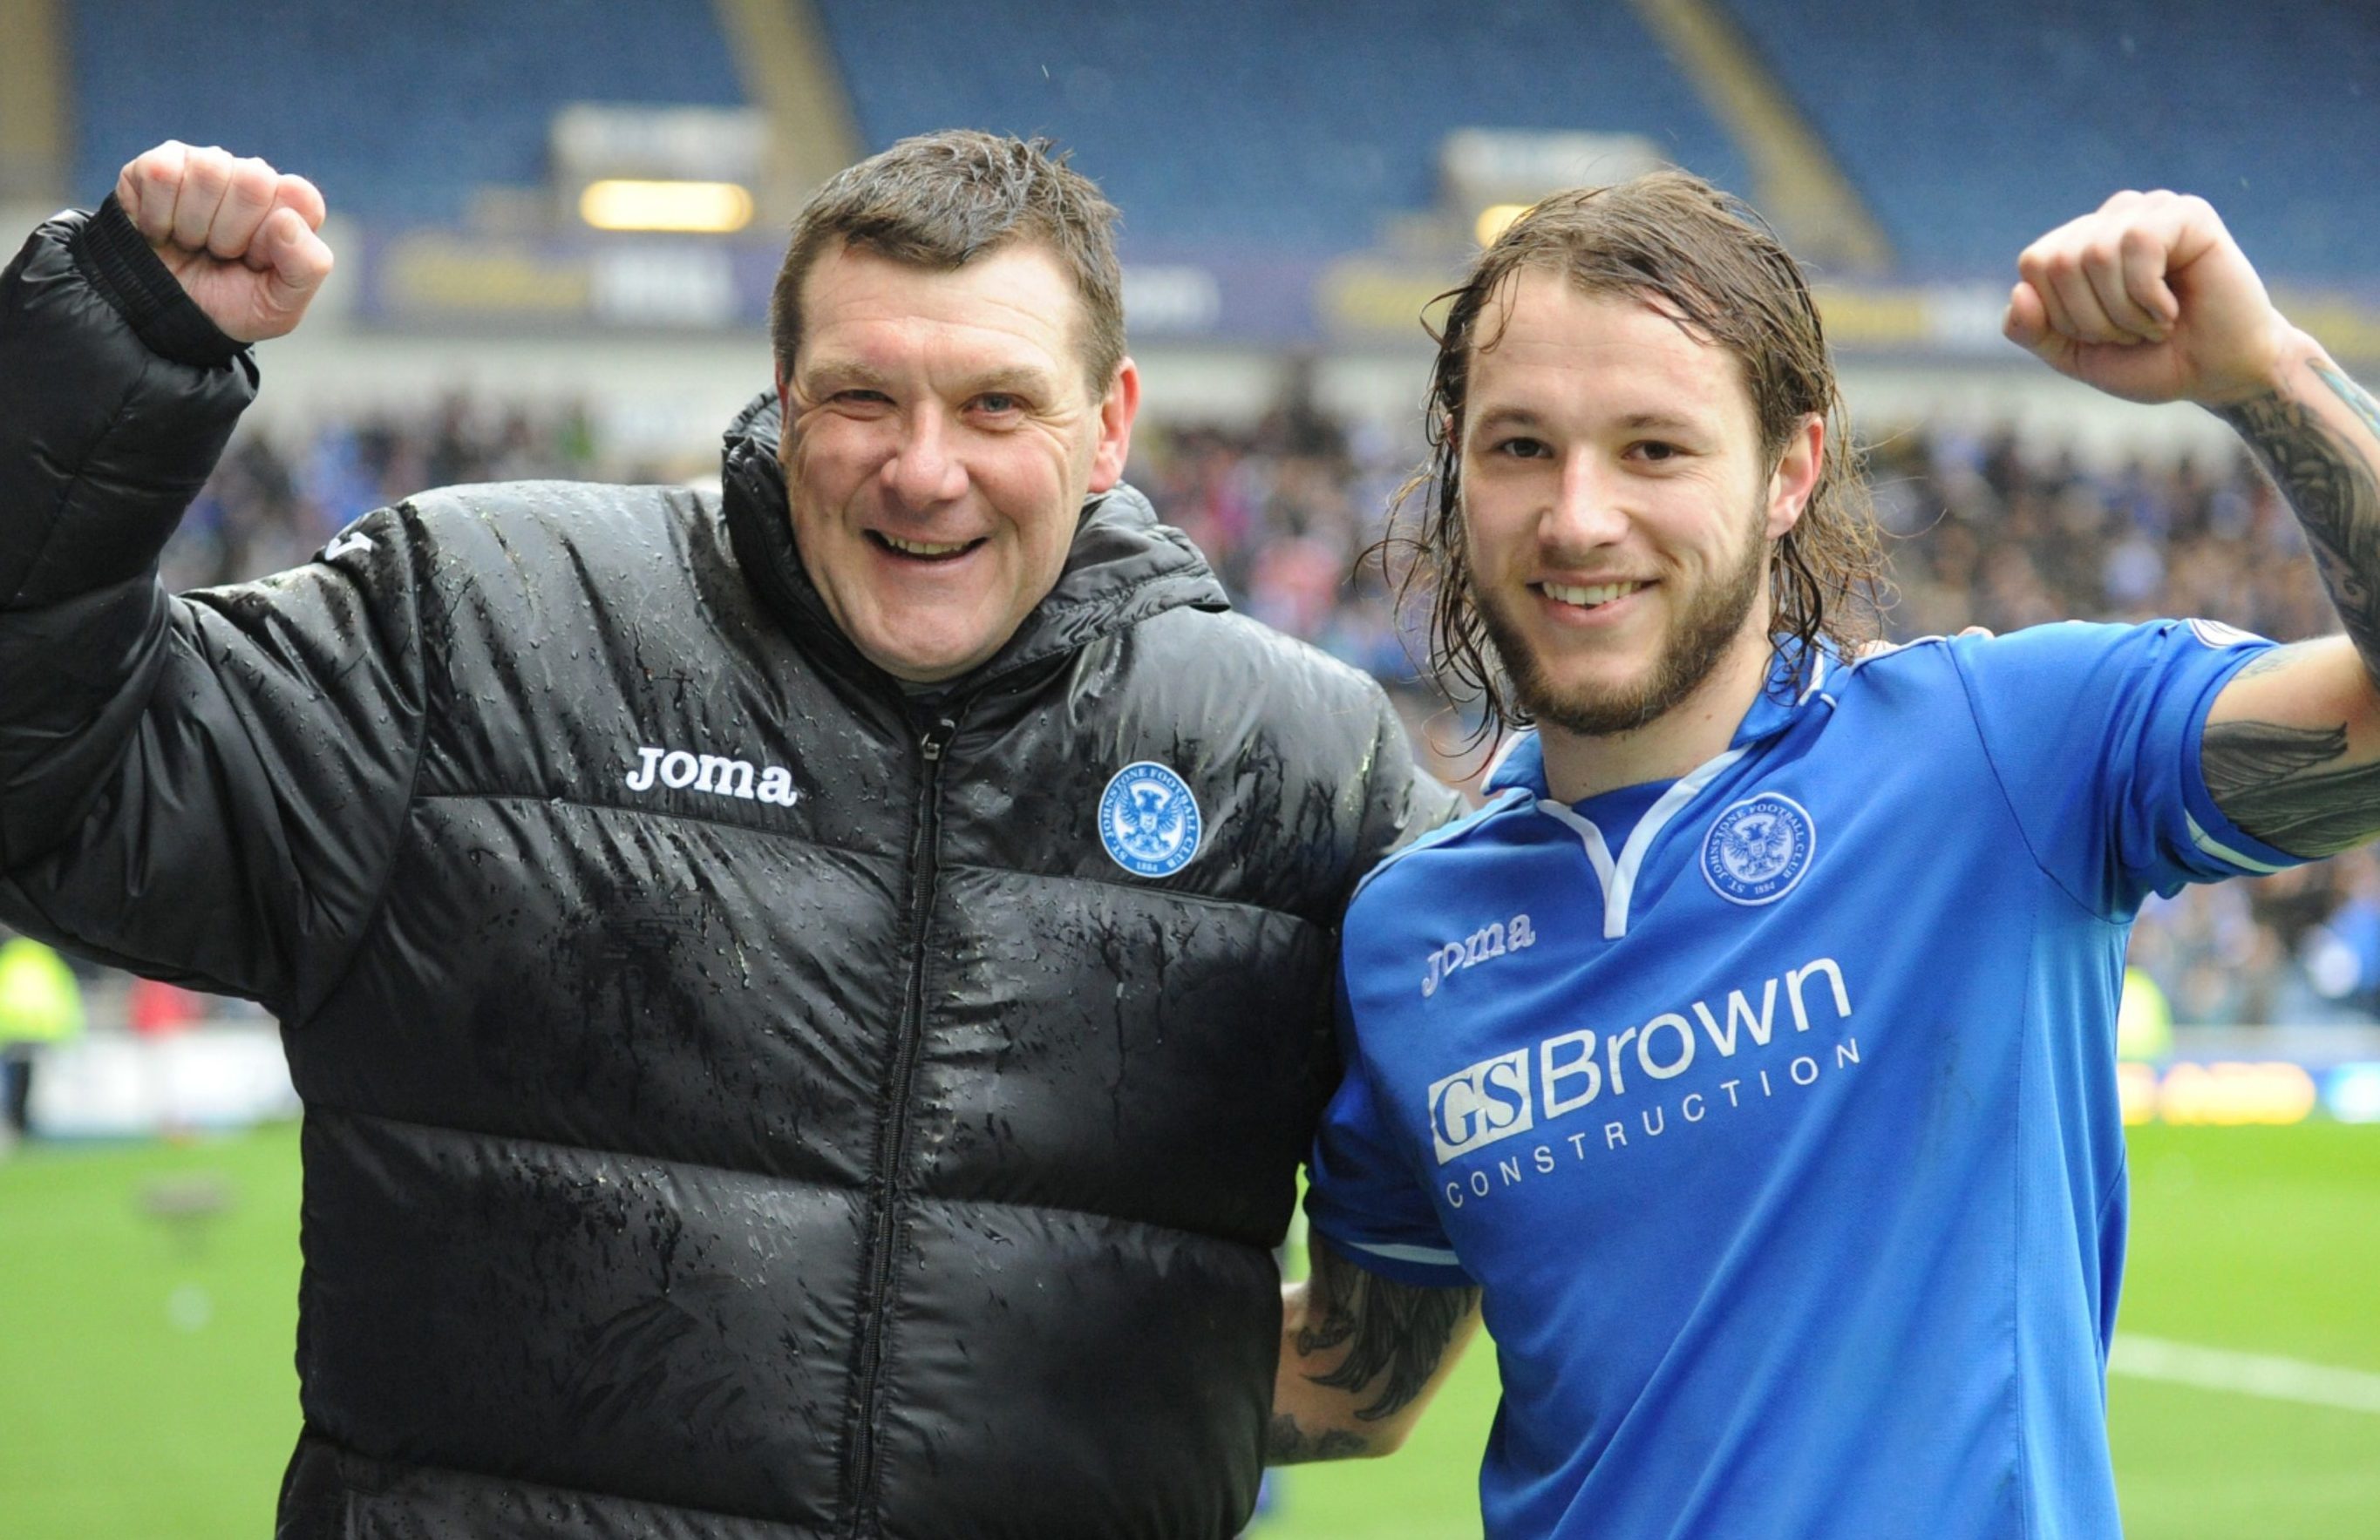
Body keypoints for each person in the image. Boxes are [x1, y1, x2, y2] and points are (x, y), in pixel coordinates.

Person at [0, 132, 1453, 1537]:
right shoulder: (487, 629)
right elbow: (52, 785)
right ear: (780, 395)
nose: (924, 469)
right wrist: (114, 362)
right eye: (862, 397)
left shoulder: (1296, 768)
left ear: (1110, 427)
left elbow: (1480, 1159)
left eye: (998, 406)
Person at [1272, 171, 2380, 1535]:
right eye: (1517, 448)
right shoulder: (1407, 937)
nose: (1575, 517)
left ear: (1789, 471)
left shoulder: (1998, 752)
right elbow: (1350, 1380)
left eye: (1652, 450)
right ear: (1454, 468)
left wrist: (2265, 374)